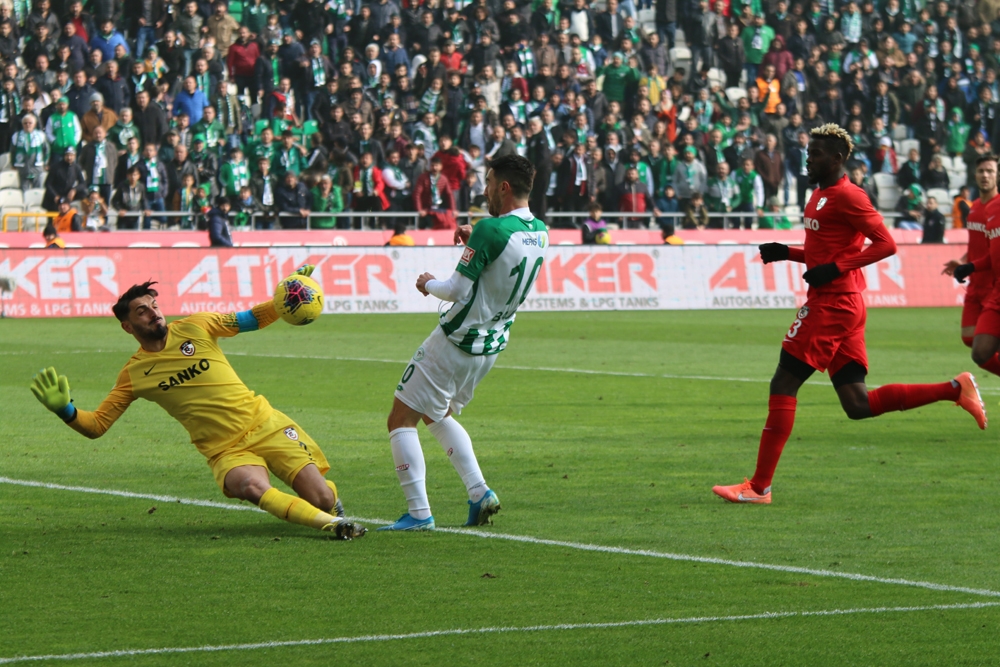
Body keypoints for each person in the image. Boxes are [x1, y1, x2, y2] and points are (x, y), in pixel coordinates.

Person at [712, 124, 986, 505]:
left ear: (838, 159)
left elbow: (886, 244)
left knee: (783, 383)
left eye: (817, 153)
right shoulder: (819, 196)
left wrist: (837, 268)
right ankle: (954, 389)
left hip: (834, 304)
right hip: (844, 302)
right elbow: (824, 252)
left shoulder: (849, 196)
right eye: (809, 151)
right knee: (858, 405)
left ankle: (759, 488)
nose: (809, 157)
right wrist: (787, 252)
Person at [28, 271, 367, 539]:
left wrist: (283, 301)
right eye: (141, 311)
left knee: (321, 499)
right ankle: (332, 526)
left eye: (154, 306)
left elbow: (250, 319)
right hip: (224, 450)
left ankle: (325, 506)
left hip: (265, 423)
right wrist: (66, 410)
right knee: (249, 486)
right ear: (127, 326)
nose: (152, 313)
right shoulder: (134, 374)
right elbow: (97, 425)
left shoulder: (196, 325)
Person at [381, 154, 547, 531]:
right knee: (436, 413)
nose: (484, 189)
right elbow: (502, 268)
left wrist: (426, 284)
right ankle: (479, 492)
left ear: (503, 187)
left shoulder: (491, 227)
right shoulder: (541, 230)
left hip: (456, 340)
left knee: (400, 418)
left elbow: (455, 289)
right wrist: (476, 244)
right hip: (491, 345)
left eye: (488, 182)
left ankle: (419, 513)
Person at [414, 155, 457, 229]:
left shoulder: (444, 179)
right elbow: (417, 194)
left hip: (438, 209)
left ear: (441, 166)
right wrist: (419, 209)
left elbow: (449, 194)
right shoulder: (423, 177)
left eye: (436, 166)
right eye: (432, 165)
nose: (434, 168)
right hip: (426, 209)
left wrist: (453, 209)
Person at [10, 114, 50, 192]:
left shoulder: (41, 135)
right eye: (25, 123)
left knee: (37, 190)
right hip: (23, 167)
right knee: (23, 190)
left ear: (34, 124)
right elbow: (12, 151)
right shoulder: (16, 136)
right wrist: (13, 164)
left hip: (37, 167)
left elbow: (47, 150)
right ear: (22, 124)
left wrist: (45, 162)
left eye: (30, 123)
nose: (28, 125)